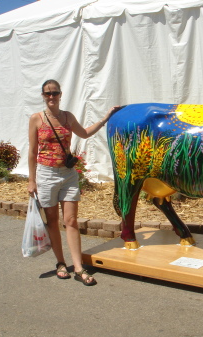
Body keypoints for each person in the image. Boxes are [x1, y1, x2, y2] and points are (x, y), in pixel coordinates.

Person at [27, 79, 120, 286]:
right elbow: (33, 152)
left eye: (55, 93)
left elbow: (85, 133)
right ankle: (60, 263)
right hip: (46, 174)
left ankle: (78, 268)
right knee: (52, 221)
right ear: (43, 96)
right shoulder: (36, 119)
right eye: (47, 94)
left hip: (68, 175)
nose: (51, 97)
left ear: (60, 94)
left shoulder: (68, 117)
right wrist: (32, 180)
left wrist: (106, 118)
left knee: (71, 221)